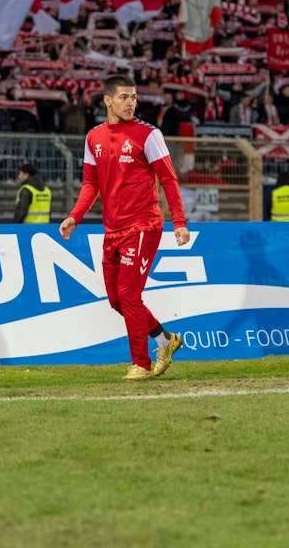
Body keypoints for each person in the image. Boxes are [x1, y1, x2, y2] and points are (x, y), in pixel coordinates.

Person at [59, 74, 190, 382]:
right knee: (117, 300)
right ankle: (164, 340)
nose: (130, 103)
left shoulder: (149, 135)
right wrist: (75, 216)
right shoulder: (94, 137)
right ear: (107, 100)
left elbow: (169, 180)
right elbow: (91, 183)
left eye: (133, 97)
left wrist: (180, 222)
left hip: (143, 225)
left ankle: (141, 363)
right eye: (123, 97)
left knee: (129, 294)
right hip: (113, 230)